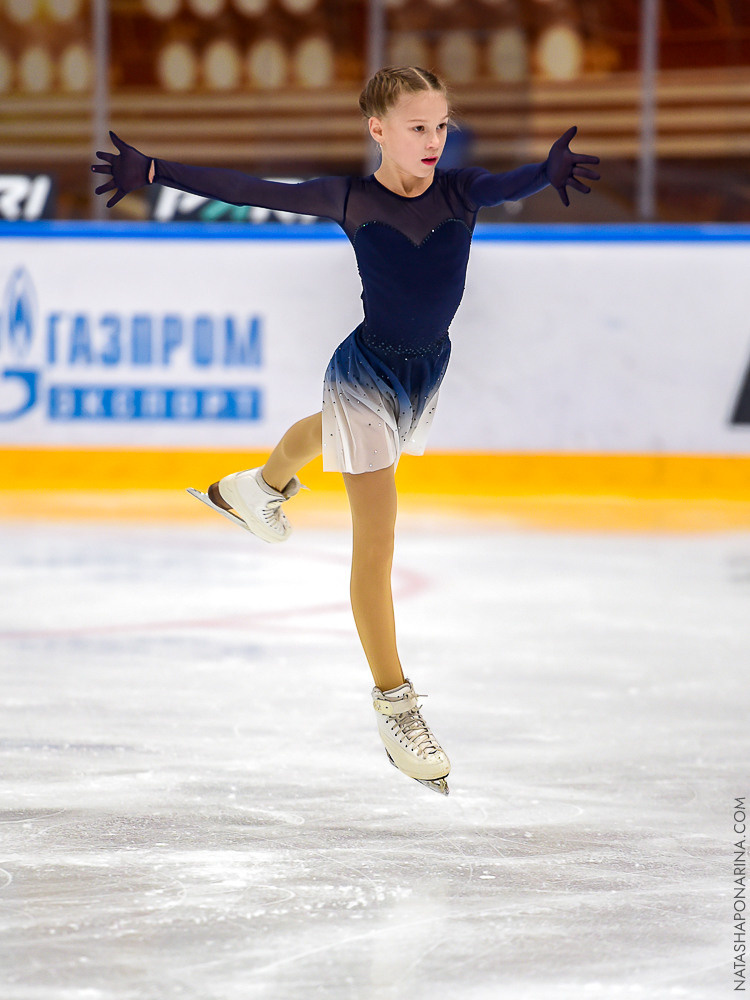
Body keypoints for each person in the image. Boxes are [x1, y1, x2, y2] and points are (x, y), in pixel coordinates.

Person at [91, 66, 599, 795]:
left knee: (326, 438)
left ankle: (255, 488)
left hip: (425, 372)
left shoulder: (461, 191)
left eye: (441, 126)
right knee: (378, 540)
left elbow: (506, 185)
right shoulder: (350, 198)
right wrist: (156, 169)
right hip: (363, 371)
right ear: (378, 129)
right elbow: (253, 190)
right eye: (418, 127)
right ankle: (396, 707)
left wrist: (545, 173)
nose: (433, 141)